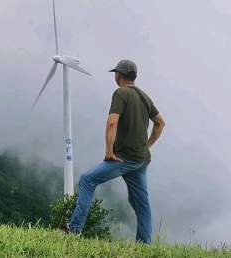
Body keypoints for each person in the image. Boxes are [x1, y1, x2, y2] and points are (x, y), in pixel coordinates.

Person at [66, 59, 166, 243]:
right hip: (141, 160)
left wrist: (109, 152)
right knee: (141, 203)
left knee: (87, 180)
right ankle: (145, 244)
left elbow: (112, 122)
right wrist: (147, 145)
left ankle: (74, 230)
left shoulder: (120, 93)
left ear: (118, 75)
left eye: (115, 74)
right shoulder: (144, 96)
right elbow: (160, 122)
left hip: (124, 158)